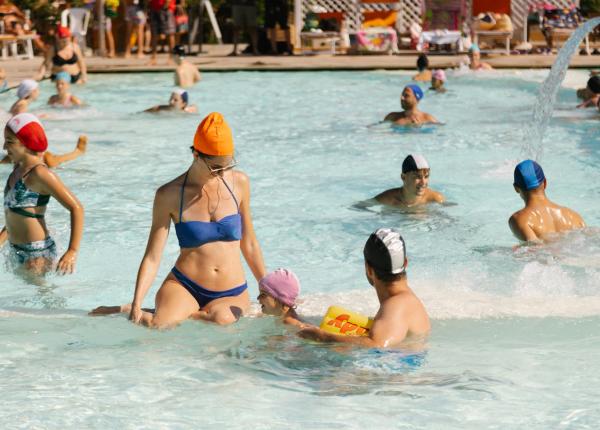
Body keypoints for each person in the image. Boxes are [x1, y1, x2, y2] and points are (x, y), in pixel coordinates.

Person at [127, 112, 266, 328]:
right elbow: (153, 257)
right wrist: (136, 302)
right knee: (159, 326)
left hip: (231, 290)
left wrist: (266, 287)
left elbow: (249, 243)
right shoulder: (169, 194)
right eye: (215, 168)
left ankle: (185, 313)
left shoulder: (239, 182)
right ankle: (132, 309)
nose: (222, 173)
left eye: (227, 166)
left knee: (222, 321)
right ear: (196, 155)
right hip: (185, 284)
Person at [298, 228, 430, 348]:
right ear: (405, 263)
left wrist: (322, 337)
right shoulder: (405, 300)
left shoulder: (397, 304)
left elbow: (377, 344)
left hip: (396, 371)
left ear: (369, 269)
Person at [1, 113, 84, 275]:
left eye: (10, 142)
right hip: (15, 249)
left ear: (26, 142)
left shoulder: (40, 173)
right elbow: (13, 213)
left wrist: (72, 251)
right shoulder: (17, 170)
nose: (4, 147)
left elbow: (77, 208)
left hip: (37, 253)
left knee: (43, 295)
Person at [91, 268, 307, 328]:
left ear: (281, 301)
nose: (258, 298)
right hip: (191, 289)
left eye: (264, 295)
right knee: (170, 322)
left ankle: (128, 309)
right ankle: (127, 310)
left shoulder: (291, 323)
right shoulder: (277, 316)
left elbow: (311, 332)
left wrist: (339, 339)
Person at [509, 160, 585, 243]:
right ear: (545, 182)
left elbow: (535, 251)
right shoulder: (574, 217)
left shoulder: (520, 220)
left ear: (516, 188)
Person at [374, 154, 444, 208]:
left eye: (426, 177)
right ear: (403, 177)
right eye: (417, 177)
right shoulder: (389, 198)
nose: (423, 182)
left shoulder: (435, 199)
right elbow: (363, 206)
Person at [149, 0, 176, 65]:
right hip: (154, 8)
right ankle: (153, 58)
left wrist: (165, 6)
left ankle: (172, 58)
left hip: (166, 9)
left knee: (170, 34)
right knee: (154, 34)